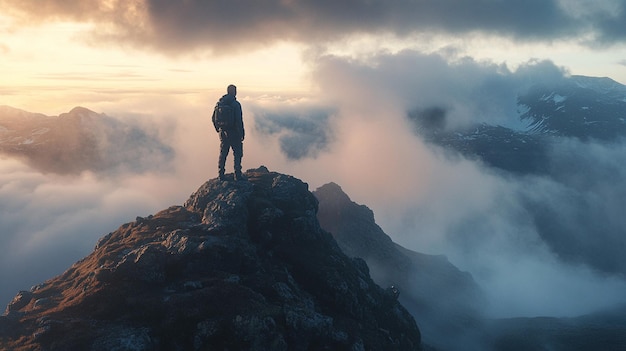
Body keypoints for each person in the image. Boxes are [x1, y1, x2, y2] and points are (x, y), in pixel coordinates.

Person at [212, 84, 245, 181]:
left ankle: (221, 174)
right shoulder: (236, 104)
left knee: (223, 153)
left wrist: (218, 129)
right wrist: (242, 133)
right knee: (237, 153)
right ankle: (237, 175)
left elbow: (213, 118)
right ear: (233, 92)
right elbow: (239, 120)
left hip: (223, 132)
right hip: (234, 132)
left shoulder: (219, 104)